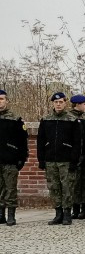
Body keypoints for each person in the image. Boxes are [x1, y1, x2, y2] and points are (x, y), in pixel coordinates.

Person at [38, 92, 83, 225]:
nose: (58, 104)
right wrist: (41, 159)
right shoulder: (46, 119)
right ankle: (58, 213)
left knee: (67, 186)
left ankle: (67, 213)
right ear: (53, 103)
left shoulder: (72, 120)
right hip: (51, 159)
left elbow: (77, 142)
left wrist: (74, 160)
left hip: (66, 160)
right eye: (56, 102)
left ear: (65, 103)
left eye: (61, 102)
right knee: (54, 187)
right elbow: (40, 141)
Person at [0, 89, 29, 226]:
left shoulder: (15, 119)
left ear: (7, 101)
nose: (0, 102)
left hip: (10, 160)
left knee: (10, 188)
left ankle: (11, 215)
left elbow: (22, 141)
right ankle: (1, 214)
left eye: (2, 99)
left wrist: (21, 158)